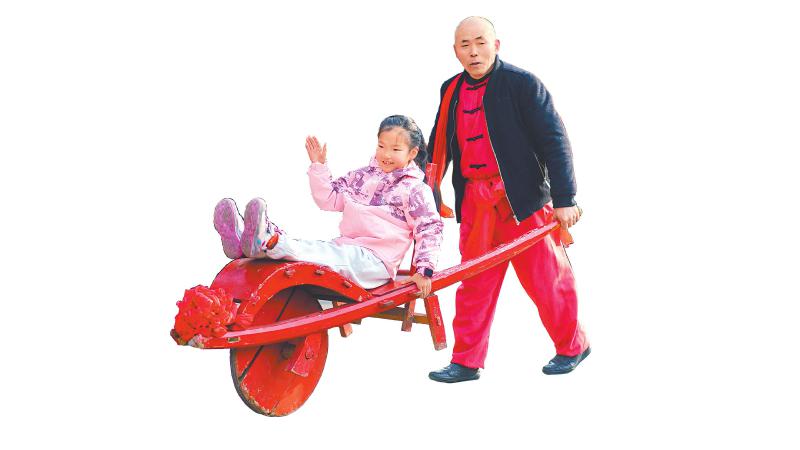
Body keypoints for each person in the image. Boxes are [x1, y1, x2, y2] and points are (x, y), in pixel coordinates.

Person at [426, 17, 590, 382]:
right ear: (455, 51)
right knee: (474, 283)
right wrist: (424, 191)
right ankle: (465, 361)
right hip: (476, 202)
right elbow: (438, 142)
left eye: (480, 42)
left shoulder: (522, 83)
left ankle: (573, 347)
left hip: (523, 200)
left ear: (496, 45)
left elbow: (555, 140)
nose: (473, 51)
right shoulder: (450, 89)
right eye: (465, 45)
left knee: (548, 279)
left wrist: (565, 197)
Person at [213, 115, 443, 295]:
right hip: (344, 249)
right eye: (381, 146)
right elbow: (329, 199)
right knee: (316, 249)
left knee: (319, 254)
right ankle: (247, 242)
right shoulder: (361, 177)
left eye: (395, 149)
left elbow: (430, 228)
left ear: (412, 153)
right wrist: (318, 167)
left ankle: (265, 240)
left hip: (375, 262)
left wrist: (424, 270)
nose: (386, 154)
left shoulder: (414, 190)